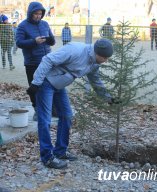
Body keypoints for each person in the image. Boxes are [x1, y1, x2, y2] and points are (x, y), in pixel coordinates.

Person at [26, 38, 118, 169]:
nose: (106, 61)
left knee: (67, 115)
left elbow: (96, 81)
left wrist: (109, 98)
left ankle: (60, 151)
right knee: (45, 119)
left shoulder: (94, 63)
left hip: (59, 85)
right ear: (98, 53)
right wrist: (36, 82)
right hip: (45, 83)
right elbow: (48, 59)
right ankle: (47, 157)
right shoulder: (75, 50)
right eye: (105, 58)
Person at [16, 1, 55, 121]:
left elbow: (52, 41)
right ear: (30, 13)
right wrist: (34, 41)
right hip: (32, 62)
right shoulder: (22, 26)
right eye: (36, 14)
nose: (38, 16)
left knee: (49, 85)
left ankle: (51, 108)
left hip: (47, 61)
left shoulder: (45, 24)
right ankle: (37, 110)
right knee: (34, 87)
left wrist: (49, 39)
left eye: (40, 13)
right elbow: (19, 43)